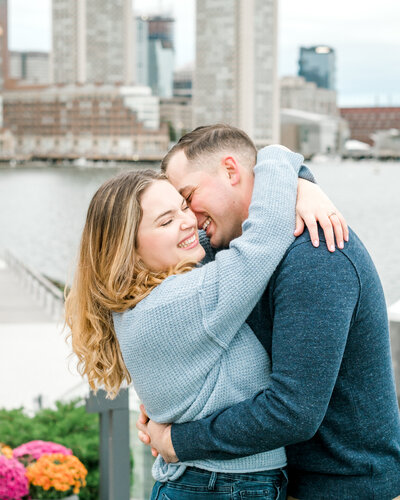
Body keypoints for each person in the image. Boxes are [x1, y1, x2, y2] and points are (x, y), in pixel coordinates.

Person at [65, 139, 345, 500]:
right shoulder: (179, 302)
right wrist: (279, 157)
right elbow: (265, 238)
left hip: (203, 483)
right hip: (223, 487)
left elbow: (227, 223)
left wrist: (300, 187)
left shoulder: (148, 294)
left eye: (183, 205)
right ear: (129, 252)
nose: (188, 222)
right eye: (167, 221)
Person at [137, 124, 400, 500]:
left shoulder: (315, 254)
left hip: (346, 487)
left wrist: (178, 441)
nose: (189, 219)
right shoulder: (225, 242)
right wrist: (299, 181)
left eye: (189, 196)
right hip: (280, 480)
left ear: (231, 171)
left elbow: (293, 411)